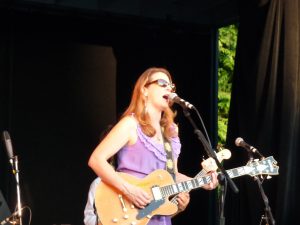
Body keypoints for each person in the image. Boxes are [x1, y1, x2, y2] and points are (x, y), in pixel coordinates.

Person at [88, 67, 219, 225]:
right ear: (144, 90)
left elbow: (172, 175)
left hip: (155, 217)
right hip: (126, 210)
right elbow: (96, 160)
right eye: (162, 83)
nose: (169, 88)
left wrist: (200, 181)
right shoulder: (131, 124)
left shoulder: (170, 134)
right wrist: (129, 190)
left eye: (171, 85)